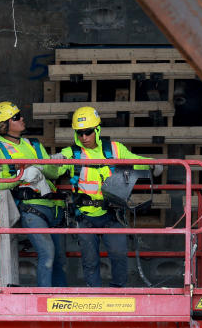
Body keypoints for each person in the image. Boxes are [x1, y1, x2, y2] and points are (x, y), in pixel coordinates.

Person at [57, 106, 162, 288]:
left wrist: (153, 164)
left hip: (112, 215)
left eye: (88, 132)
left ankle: (118, 293)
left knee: (119, 254)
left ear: (97, 130)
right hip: (85, 217)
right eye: (79, 133)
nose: (84, 138)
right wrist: (50, 162)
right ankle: (94, 297)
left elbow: (135, 161)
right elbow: (52, 168)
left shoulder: (115, 149)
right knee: (90, 262)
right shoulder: (71, 153)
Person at [0, 101, 67, 287]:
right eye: (16, 117)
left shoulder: (34, 145)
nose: (22, 119)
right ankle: (45, 300)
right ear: (3, 125)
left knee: (60, 259)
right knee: (48, 254)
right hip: (31, 209)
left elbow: (53, 173)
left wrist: (49, 163)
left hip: (54, 208)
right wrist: (22, 175)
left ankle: (63, 302)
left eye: (20, 115)